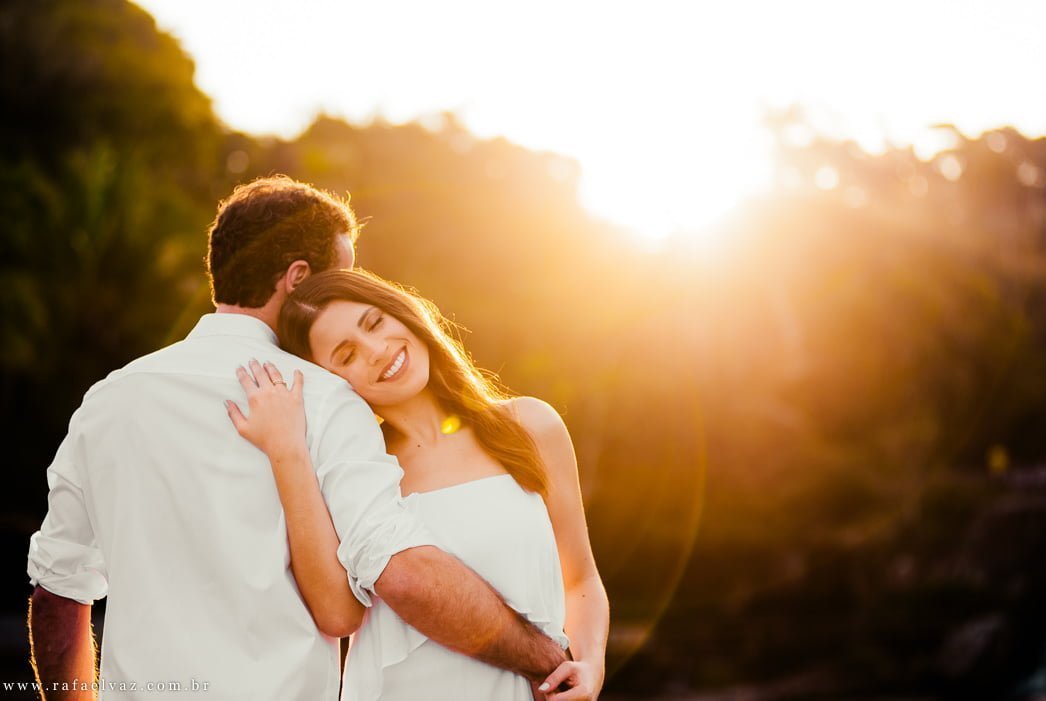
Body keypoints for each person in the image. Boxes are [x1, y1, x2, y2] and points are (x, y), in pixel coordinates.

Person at [26, 176, 566, 700]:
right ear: (298, 277)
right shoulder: (325, 398)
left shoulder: (108, 400)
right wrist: (549, 660)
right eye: (340, 277)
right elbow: (388, 577)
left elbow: (58, 592)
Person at [226, 269, 610, 701]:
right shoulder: (358, 471)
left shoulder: (530, 425)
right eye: (346, 354)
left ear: (402, 314)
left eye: (374, 324)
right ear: (333, 382)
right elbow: (335, 613)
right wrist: (287, 451)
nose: (375, 351)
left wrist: (590, 665)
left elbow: (580, 578)